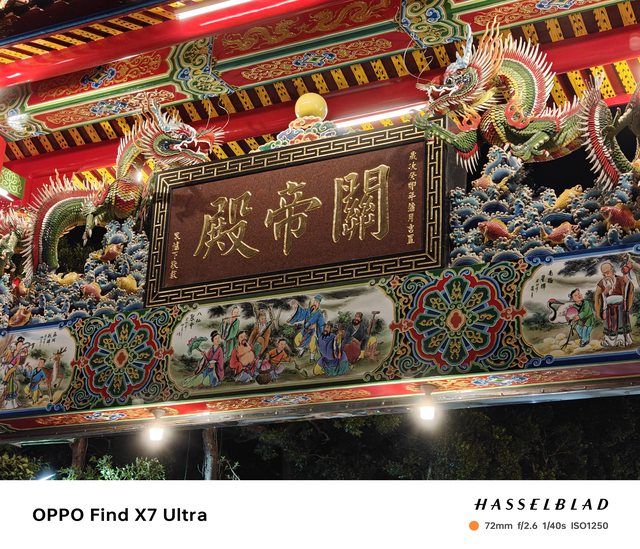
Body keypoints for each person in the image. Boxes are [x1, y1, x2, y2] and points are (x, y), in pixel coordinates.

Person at [594, 261, 634, 347]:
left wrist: (627, 280)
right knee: (609, 325)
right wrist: (605, 292)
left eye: (608, 272)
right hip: (608, 308)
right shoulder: (602, 283)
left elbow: (629, 288)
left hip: (620, 306)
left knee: (621, 321)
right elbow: (597, 296)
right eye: (604, 274)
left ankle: (621, 339)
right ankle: (609, 341)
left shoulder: (620, 279)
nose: (606, 275)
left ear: (612, 270)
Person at [288, 295, 325, 361]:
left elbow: (320, 324)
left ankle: (312, 358)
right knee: (297, 339)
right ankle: (302, 349)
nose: (315, 304)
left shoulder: (319, 314)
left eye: (317, 302)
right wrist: (297, 307)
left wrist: (315, 325)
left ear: (319, 304)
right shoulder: (308, 311)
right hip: (305, 330)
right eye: (314, 302)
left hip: (313, 332)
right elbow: (302, 313)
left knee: (312, 344)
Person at [1, 336, 30, 409]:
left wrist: (13, 365)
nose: (20, 346)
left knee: (11, 385)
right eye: (19, 345)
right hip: (7, 367)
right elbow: (7, 359)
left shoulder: (19, 355)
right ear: (16, 345)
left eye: (21, 345)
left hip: (13, 369)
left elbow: (17, 363)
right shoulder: (11, 352)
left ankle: (11, 403)